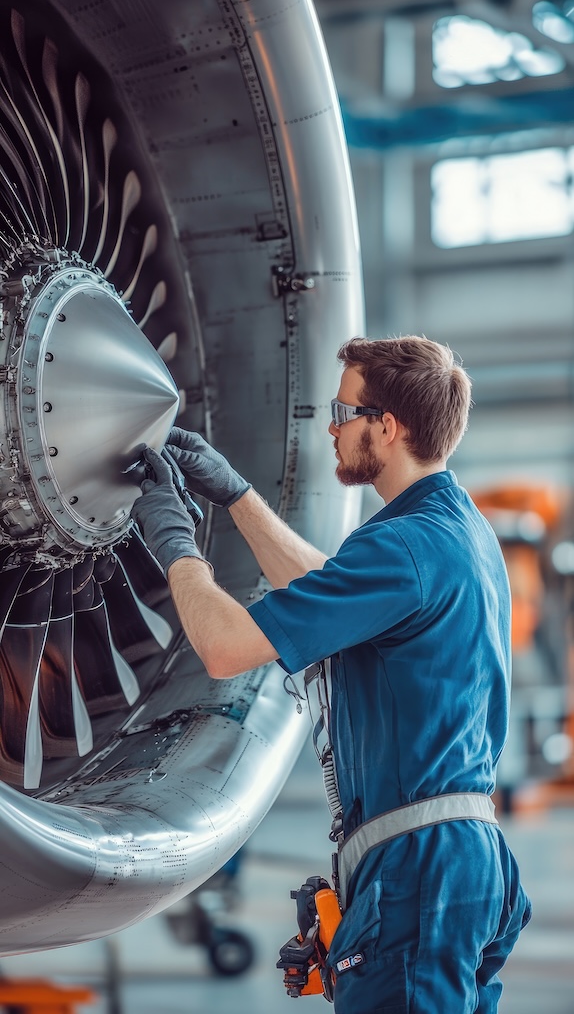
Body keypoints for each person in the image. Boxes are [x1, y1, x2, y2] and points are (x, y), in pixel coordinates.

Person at [131, 335, 531, 1013]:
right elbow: (333, 593)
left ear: (388, 427)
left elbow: (225, 648)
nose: (332, 427)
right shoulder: (458, 532)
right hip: (472, 865)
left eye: (344, 414)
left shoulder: (401, 545)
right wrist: (235, 496)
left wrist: (172, 541)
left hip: (417, 875)